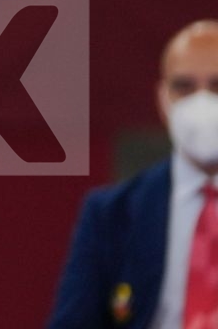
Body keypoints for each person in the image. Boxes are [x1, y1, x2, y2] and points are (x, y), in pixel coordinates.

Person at [48, 20, 218, 329]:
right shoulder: (112, 215)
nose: (202, 102)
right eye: (184, 87)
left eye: (217, 86)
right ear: (162, 99)